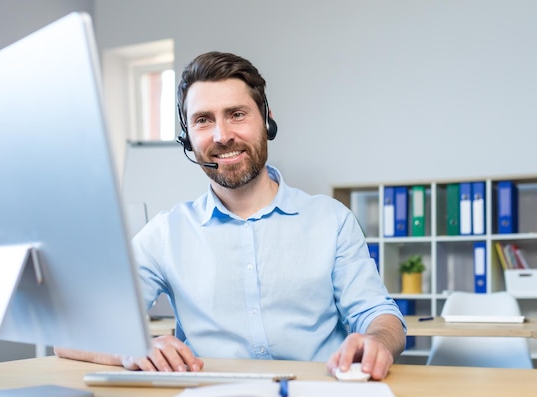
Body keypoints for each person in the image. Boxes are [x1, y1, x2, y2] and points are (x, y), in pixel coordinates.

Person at [55, 51, 406, 380]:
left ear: (266, 120)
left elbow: (379, 315)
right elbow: (72, 333)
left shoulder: (330, 220)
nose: (222, 136)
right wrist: (128, 352)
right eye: (203, 120)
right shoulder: (166, 233)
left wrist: (376, 341)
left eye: (237, 114)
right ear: (187, 138)